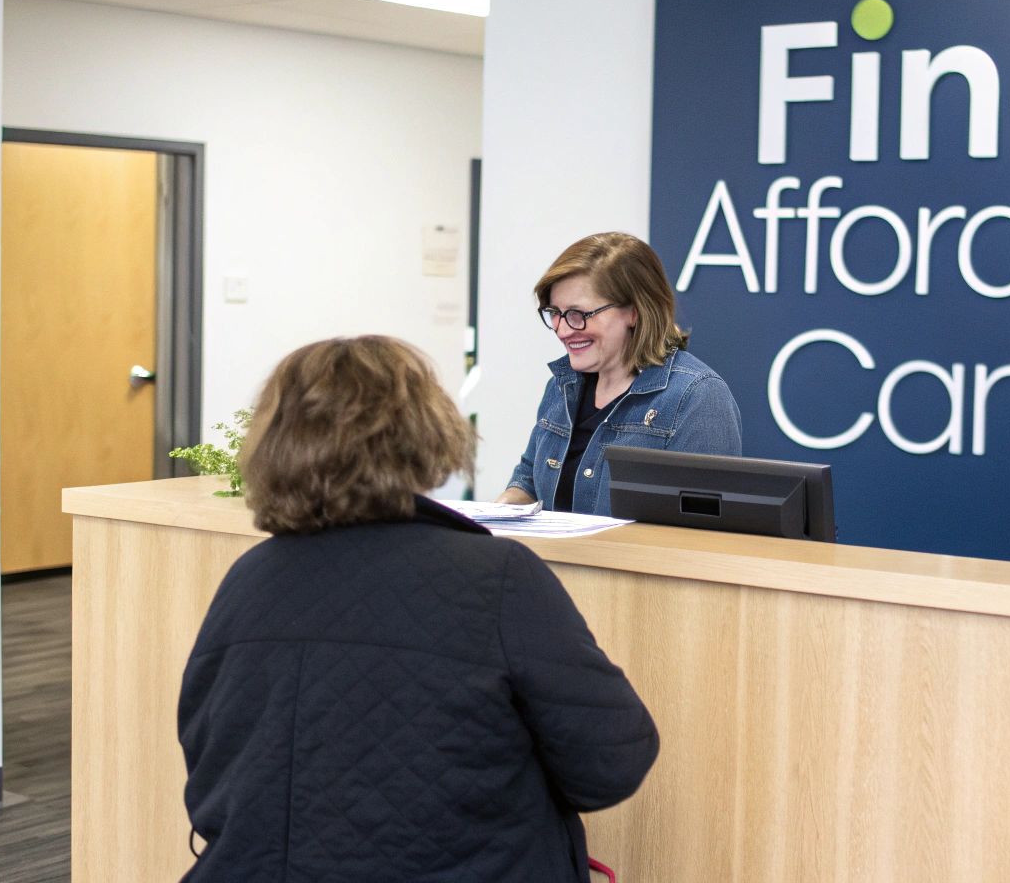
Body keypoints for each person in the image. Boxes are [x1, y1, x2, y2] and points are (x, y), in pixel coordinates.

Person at [177, 336, 659, 883]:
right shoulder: (498, 577)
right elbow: (611, 763)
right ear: (427, 432)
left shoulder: (251, 577)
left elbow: (209, 767)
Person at [498, 231, 742, 515]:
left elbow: (704, 526)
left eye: (579, 314)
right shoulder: (562, 386)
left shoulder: (696, 396)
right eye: (555, 312)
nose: (563, 330)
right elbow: (528, 480)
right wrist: (488, 519)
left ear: (635, 311)